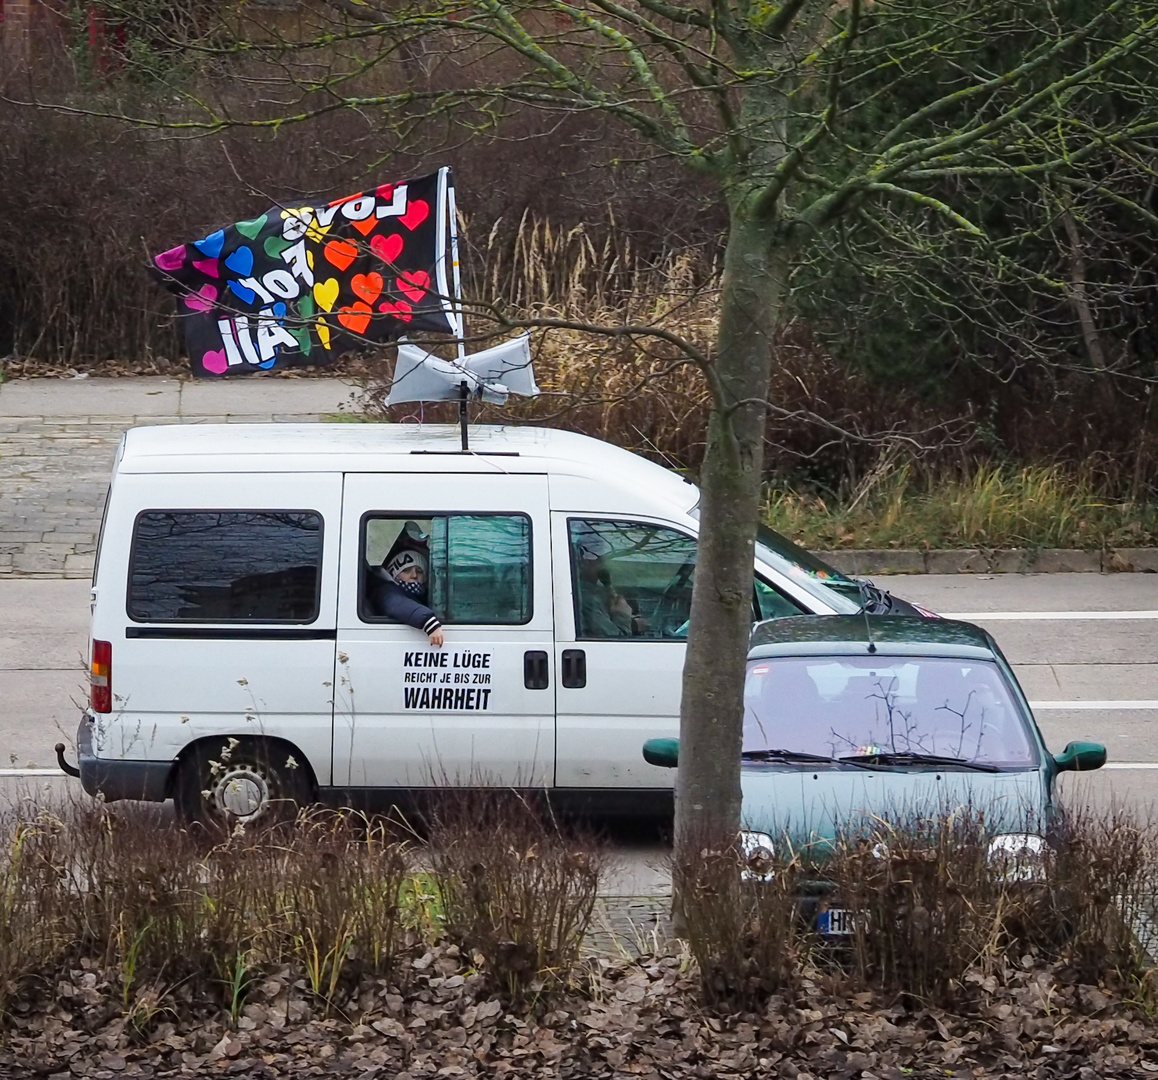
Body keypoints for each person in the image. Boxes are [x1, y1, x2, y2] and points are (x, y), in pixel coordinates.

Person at [369, 547, 444, 646]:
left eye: (419, 571)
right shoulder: (385, 591)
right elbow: (397, 603)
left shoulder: (425, 595)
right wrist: (429, 622)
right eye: (406, 570)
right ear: (394, 574)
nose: (414, 575)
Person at [575, 536, 644, 637]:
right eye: (600, 561)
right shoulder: (586, 598)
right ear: (586, 562)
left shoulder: (593, 591)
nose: (604, 566)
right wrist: (623, 615)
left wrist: (631, 621)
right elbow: (616, 640)